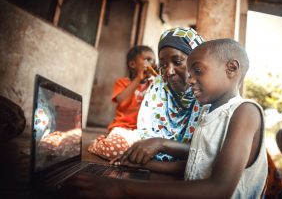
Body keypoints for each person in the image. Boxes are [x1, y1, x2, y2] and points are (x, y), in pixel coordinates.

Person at [62, 39, 268, 198]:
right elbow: (199, 163)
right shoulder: (209, 112)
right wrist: (146, 165)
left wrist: (122, 187)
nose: (190, 78)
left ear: (231, 68)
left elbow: (218, 189)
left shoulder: (245, 112)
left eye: (197, 70)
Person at [110, 27, 205, 173]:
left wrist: (161, 145)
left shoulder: (209, 96)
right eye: (164, 65)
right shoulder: (159, 89)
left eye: (177, 61)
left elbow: (208, 155)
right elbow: (148, 140)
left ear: (197, 62)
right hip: (131, 134)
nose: (169, 71)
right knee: (124, 148)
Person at [88, 45, 156, 160]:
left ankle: (128, 151)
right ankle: (97, 143)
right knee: (116, 150)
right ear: (132, 64)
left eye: (153, 60)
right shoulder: (122, 83)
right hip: (123, 128)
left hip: (142, 132)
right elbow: (121, 101)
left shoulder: (154, 85)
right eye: (147, 60)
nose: (151, 64)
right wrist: (138, 79)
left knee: (149, 154)